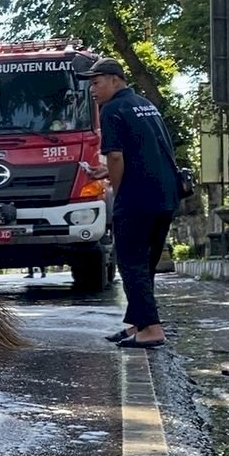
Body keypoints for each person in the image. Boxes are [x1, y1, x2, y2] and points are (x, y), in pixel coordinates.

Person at [79, 57, 180, 349]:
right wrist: (107, 173)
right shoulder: (146, 105)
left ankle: (151, 329)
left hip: (138, 197)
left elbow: (116, 157)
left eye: (96, 83)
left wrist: (118, 188)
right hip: (165, 195)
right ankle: (138, 322)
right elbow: (146, 151)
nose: (93, 91)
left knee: (132, 262)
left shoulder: (111, 110)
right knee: (145, 263)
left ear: (114, 80)